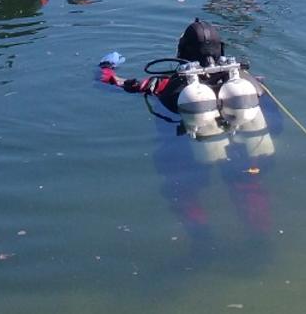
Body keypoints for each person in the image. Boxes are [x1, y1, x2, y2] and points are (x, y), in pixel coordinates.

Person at [96, 20, 277, 253]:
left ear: (182, 51)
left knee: (180, 190)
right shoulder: (246, 81)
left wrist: (106, 68)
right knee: (246, 183)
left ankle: (202, 241)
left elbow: (116, 84)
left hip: (185, 147)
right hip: (242, 143)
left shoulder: (162, 85)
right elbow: (274, 120)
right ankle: (260, 243)